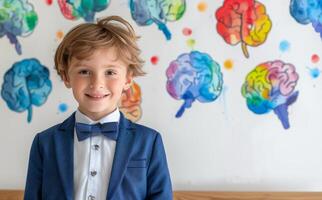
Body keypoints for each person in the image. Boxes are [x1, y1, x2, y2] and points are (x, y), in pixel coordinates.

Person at [24, 15, 172, 200]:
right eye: (84, 71)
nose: (97, 83)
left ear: (127, 79)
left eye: (110, 72)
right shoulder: (44, 143)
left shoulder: (150, 142)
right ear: (66, 77)